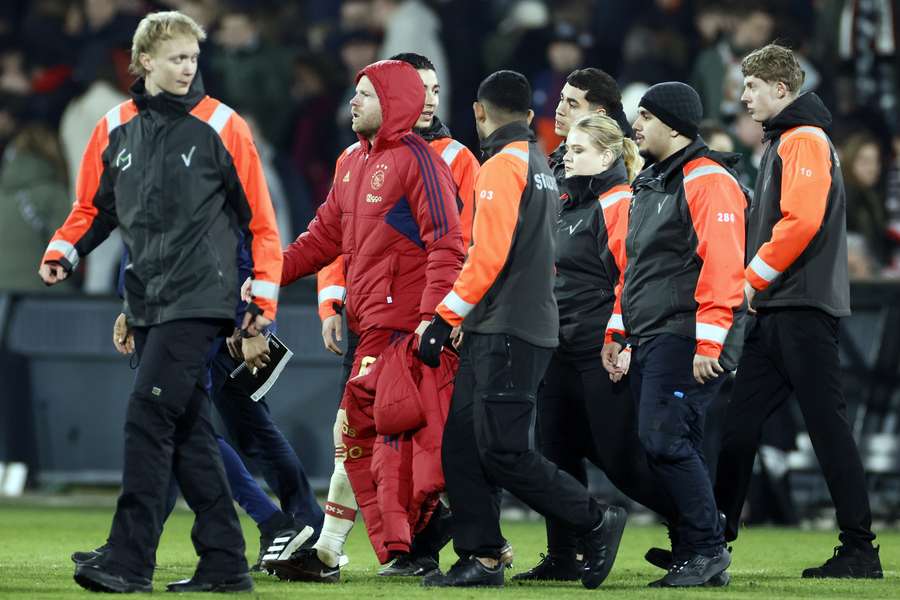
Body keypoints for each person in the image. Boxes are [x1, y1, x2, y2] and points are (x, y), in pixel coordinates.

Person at [39, 11, 282, 593]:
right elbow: (93, 209)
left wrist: (262, 298)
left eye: (193, 59)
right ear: (144, 60)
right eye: (176, 58)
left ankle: (128, 560)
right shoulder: (113, 127)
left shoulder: (224, 125)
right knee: (190, 432)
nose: (187, 68)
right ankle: (224, 562)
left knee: (146, 418)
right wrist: (63, 252)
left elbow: (263, 225)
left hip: (200, 301)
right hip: (146, 300)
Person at [418, 70, 627, 589]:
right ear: (530, 117)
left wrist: (445, 318)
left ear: (479, 113)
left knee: (504, 450)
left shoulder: (500, 168)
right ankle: (482, 555)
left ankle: (595, 519)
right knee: (463, 445)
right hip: (513, 324)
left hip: (509, 328)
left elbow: (485, 256)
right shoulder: (538, 164)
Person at [261, 58, 464, 583]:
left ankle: (337, 550)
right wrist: (267, 277)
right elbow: (321, 240)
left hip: (407, 328)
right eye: (354, 93)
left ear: (393, 103)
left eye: (367, 95)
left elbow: (447, 242)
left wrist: (433, 318)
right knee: (381, 443)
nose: (353, 103)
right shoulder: (351, 161)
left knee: (361, 432)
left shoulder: (421, 162)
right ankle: (409, 543)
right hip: (372, 323)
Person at [714, 43, 883, 579]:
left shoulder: (804, 140)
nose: (743, 97)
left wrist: (750, 280)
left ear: (780, 90)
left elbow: (802, 221)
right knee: (739, 426)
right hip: (781, 308)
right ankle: (709, 541)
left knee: (825, 429)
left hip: (801, 307)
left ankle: (860, 548)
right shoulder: (790, 140)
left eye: (751, 87)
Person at [601, 81, 746, 587]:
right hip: (654, 331)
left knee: (664, 439)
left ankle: (706, 547)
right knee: (665, 441)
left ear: (673, 124)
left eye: (645, 116)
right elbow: (635, 268)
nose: (635, 126)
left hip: (686, 334)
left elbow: (724, 265)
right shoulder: (651, 183)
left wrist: (711, 341)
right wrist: (619, 329)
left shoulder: (708, 180)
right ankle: (694, 545)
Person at [548, 68, 634, 183]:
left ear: (599, 115)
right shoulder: (562, 152)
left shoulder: (611, 169)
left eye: (573, 105)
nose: (559, 110)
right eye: (561, 99)